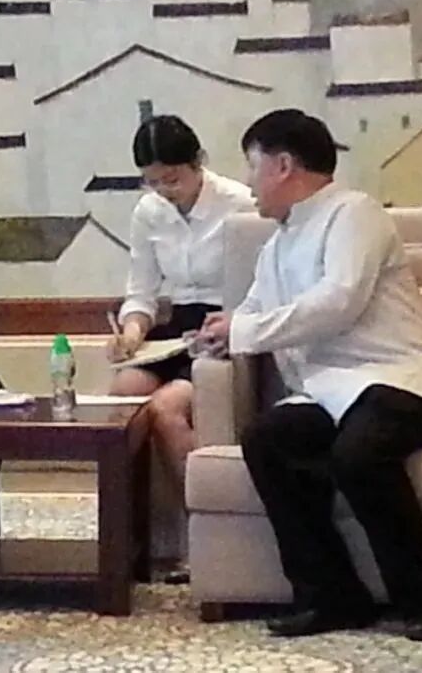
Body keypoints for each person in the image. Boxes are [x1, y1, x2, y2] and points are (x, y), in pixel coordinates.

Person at [198, 108, 422, 641]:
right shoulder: (275, 246)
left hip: (399, 381)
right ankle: (332, 596)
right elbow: (251, 315)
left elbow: (339, 300)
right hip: (326, 394)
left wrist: (244, 330)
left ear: (283, 166)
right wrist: (219, 333)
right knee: (268, 439)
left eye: (252, 166)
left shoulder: (355, 213)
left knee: (357, 455)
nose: (248, 182)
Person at [106, 114, 253, 583]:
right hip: (176, 330)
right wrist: (131, 332)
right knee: (123, 394)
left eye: (172, 179)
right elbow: (142, 292)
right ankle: (132, 539)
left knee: (166, 408)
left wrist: (231, 325)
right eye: (152, 182)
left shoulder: (240, 204)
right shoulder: (148, 212)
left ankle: (206, 536)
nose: (164, 191)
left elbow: (257, 289)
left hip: (225, 328)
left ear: (198, 162)